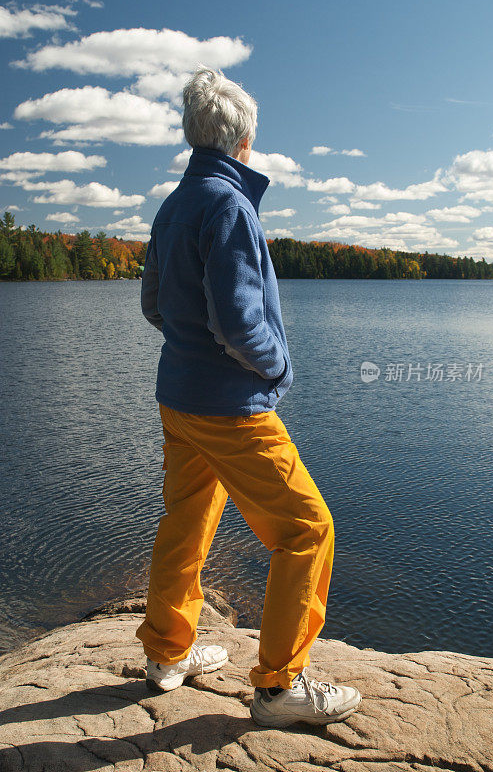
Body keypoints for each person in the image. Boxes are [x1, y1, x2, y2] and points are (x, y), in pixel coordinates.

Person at [135, 65, 362, 728]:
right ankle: (278, 687)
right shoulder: (229, 204)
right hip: (229, 406)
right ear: (243, 142)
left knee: (186, 523)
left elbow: (153, 303)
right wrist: (274, 369)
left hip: (178, 398)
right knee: (305, 529)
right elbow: (237, 322)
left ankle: (166, 653)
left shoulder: (174, 204)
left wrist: (187, 345)